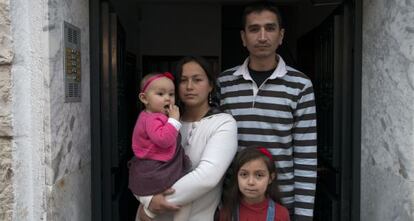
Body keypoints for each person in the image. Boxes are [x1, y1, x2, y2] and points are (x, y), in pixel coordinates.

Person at [217, 2, 317, 220]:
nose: (262, 37)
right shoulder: (224, 83)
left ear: (281, 36)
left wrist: (303, 214)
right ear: (243, 37)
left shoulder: (300, 85)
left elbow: (306, 155)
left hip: (282, 201)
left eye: (270, 28)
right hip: (233, 202)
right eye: (254, 29)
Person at [136, 56, 238, 221]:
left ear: (211, 85)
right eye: (183, 81)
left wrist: (151, 207)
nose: (190, 87)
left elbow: (206, 177)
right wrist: (146, 200)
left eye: (197, 80)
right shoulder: (162, 123)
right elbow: (141, 164)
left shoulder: (223, 123)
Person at [128, 72, 191, 221]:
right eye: (160, 94)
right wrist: (174, 121)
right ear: (144, 98)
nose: (168, 98)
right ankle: (150, 206)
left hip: (159, 163)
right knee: (177, 193)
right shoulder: (151, 118)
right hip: (154, 167)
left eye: (171, 94)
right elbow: (164, 140)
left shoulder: (154, 116)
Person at [219, 147, 290, 221]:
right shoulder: (227, 212)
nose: (251, 182)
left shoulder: (281, 214)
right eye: (244, 174)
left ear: (270, 178)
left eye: (259, 175)